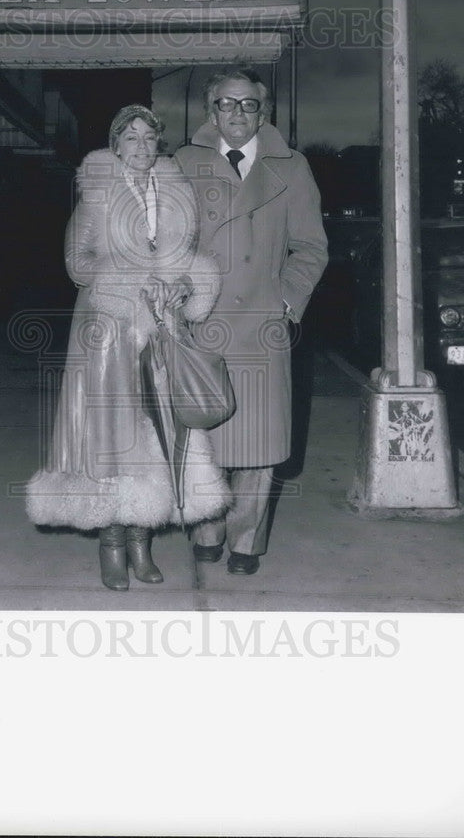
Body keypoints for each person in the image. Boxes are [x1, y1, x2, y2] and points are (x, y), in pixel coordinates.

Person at [25, 105, 231, 591]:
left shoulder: (178, 196)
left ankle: (143, 542)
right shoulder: (97, 195)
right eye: (130, 137)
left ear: (158, 143)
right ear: (116, 146)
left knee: (159, 436)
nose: (140, 146)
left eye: (148, 137)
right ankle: (113, 545)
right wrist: (132, 280)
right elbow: (77, 263)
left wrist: (182, 285)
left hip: (162, 330)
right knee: (111, 437)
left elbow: (187, 261)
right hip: (108, 332)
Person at [174, 69, 328, 575]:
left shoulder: (294, 167)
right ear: (209, 110)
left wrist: (286, 305)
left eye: (248, 105)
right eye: (226, 104)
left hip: (263, 326)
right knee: (205, 438)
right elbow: (168, 243)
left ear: (264, 113)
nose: (237, 115)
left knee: (260, 449)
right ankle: (208, 528)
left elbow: (310, 248)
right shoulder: (182, 164)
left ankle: (246, 542)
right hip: (204, 324)